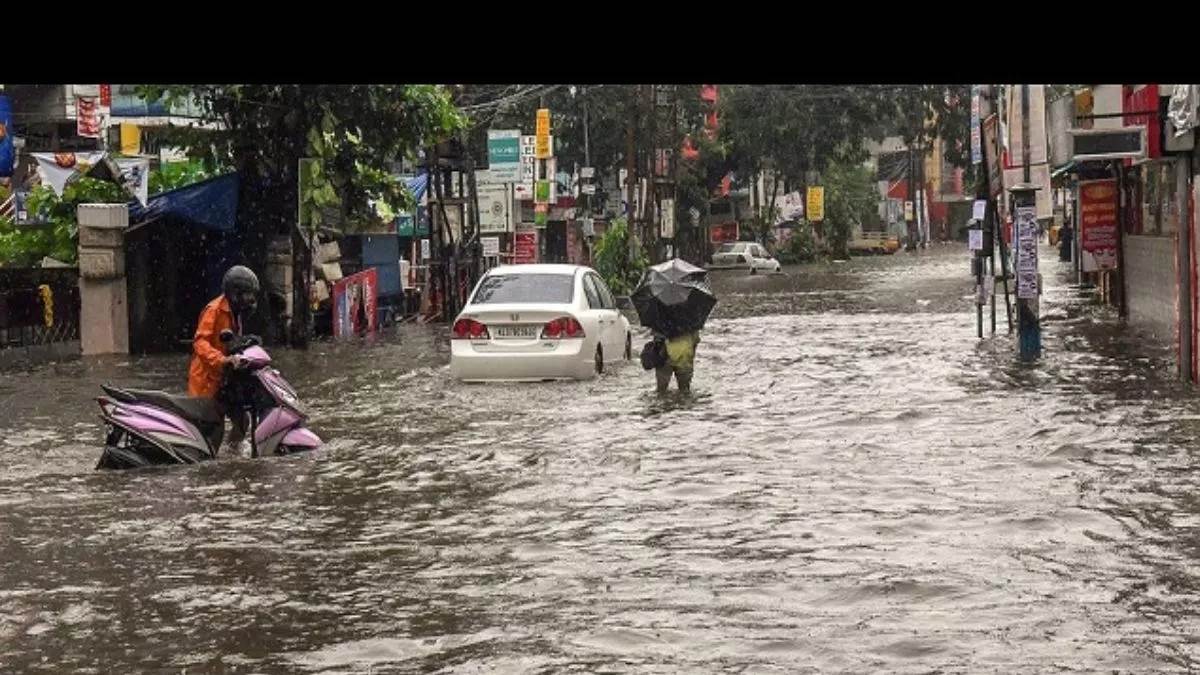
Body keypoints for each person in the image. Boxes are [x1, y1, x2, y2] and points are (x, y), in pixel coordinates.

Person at [188, 265, 260, 455]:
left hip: (225, 379)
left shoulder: (237, 314)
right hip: (207, 380)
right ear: (235, 294)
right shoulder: (214, 310)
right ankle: (209, 465)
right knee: (215, 427)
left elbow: (232, 342)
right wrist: (222, 360)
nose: (250, 301)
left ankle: (230, 456)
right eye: (247, 295)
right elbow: (200, 343)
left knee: (242, 420)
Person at [656, 330, 700, 395]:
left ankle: (662, 402)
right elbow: (696, 340)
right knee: (685, 390)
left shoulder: (661, 323)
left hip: (664, 355)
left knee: (661, 390)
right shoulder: (692, 324)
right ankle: (683, 402)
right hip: (685, 356)